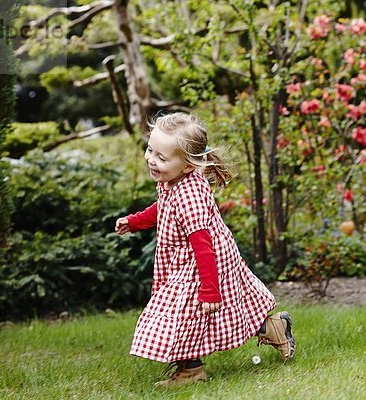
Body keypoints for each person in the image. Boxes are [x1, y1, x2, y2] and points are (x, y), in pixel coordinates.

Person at [114, 112, 295, 388]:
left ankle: (191, 371)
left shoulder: (189, 193)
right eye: (150, 150)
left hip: (202, 264)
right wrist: (135, 222)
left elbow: (202, 244)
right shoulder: (172, 181)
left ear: (188, 166)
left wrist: (210, 289)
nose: (151, 159)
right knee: (209, 316)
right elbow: (163, 210)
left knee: (183, 315)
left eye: (162, 158)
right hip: (190, 261)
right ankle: (274, 328)